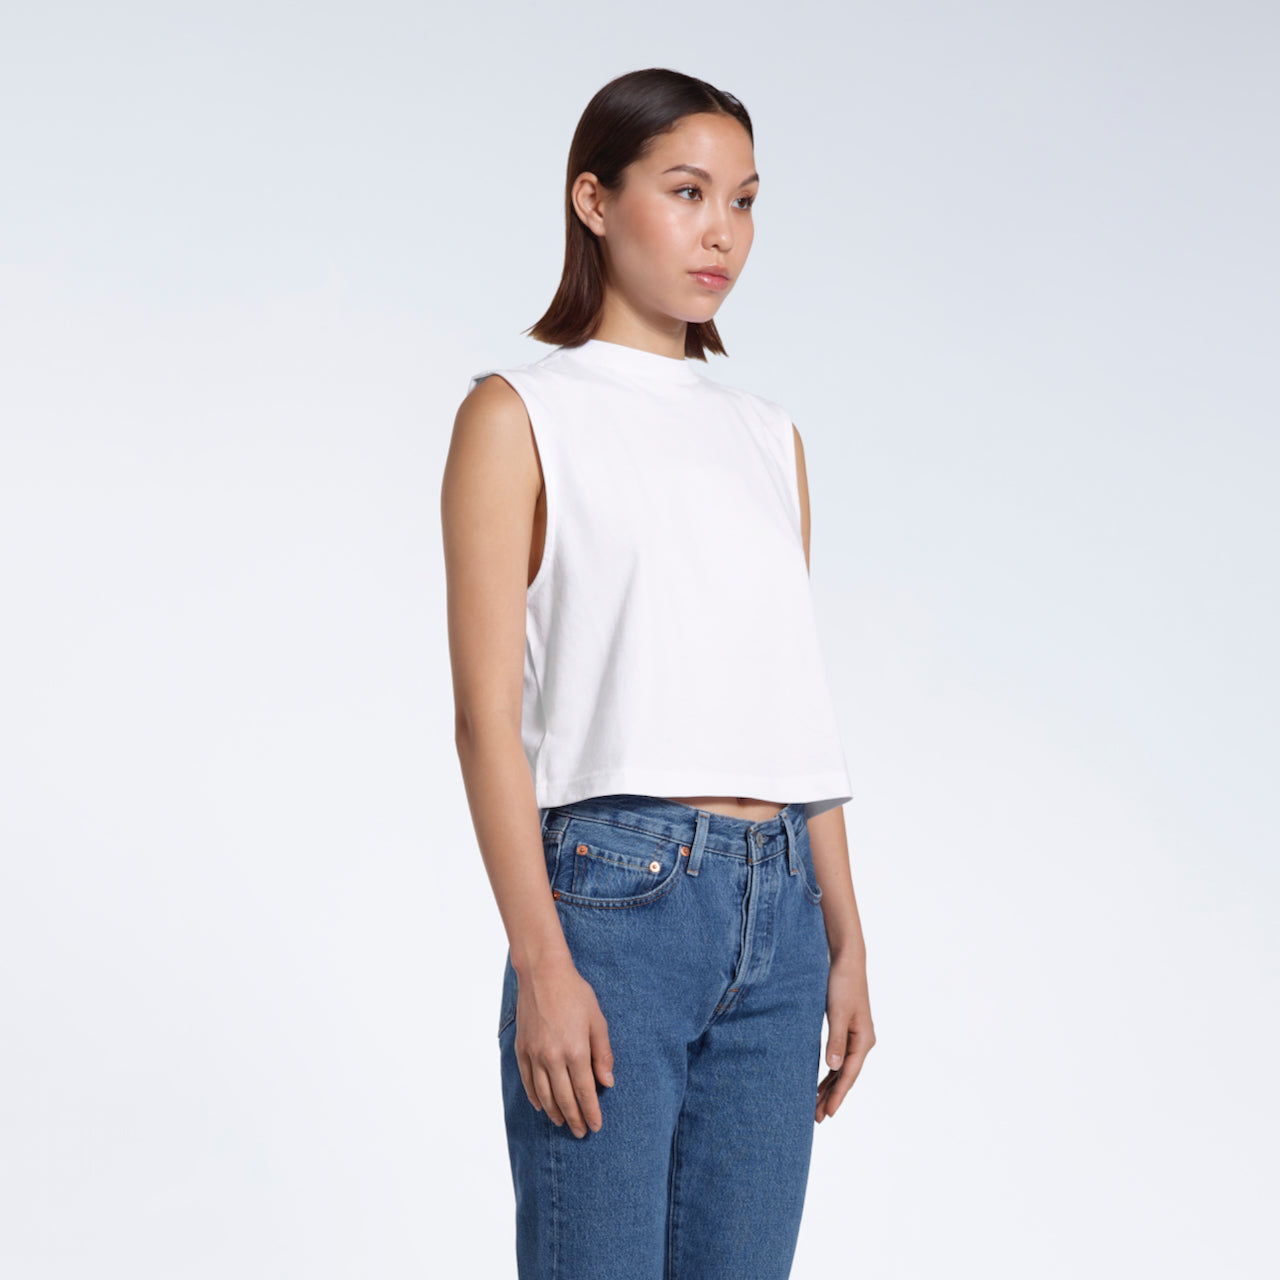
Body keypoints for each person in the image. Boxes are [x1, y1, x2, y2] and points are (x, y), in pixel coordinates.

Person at [441, 67, 875, 1280]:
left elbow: (790, 701)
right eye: (685, 192)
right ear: (592, 197)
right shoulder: (516, 412)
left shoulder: (764, 434)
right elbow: (485, 722)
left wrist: (844, 934)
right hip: (612, 909)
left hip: (779, 915)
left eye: (741, 199)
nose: (719, 232)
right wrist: (540, 960)